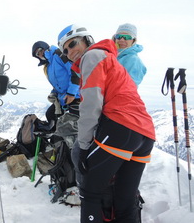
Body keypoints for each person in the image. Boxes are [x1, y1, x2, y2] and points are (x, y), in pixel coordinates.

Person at [58, 24, 156, 223]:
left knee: (90, 190)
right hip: (145, 133)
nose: (70, 53)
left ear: (87, 40)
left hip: (121, 127)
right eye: (65, 50)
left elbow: (91, 103)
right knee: (125, 198)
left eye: (72, 44)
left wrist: (84, 145)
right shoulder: (110, 58)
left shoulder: (92, 56)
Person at [32, 41, 80, 126]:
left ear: (45, 47)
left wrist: (71, 93)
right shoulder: (48, 66)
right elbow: (58, 84)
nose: (40, 54)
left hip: (76, 96)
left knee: (71, 122)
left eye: (40, 50)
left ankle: (64, 137)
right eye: (37, 54)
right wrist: (54, 93)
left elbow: (75, 73)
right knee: (50, 115)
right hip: (63, 98)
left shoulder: (59, 54)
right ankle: (56, 136)